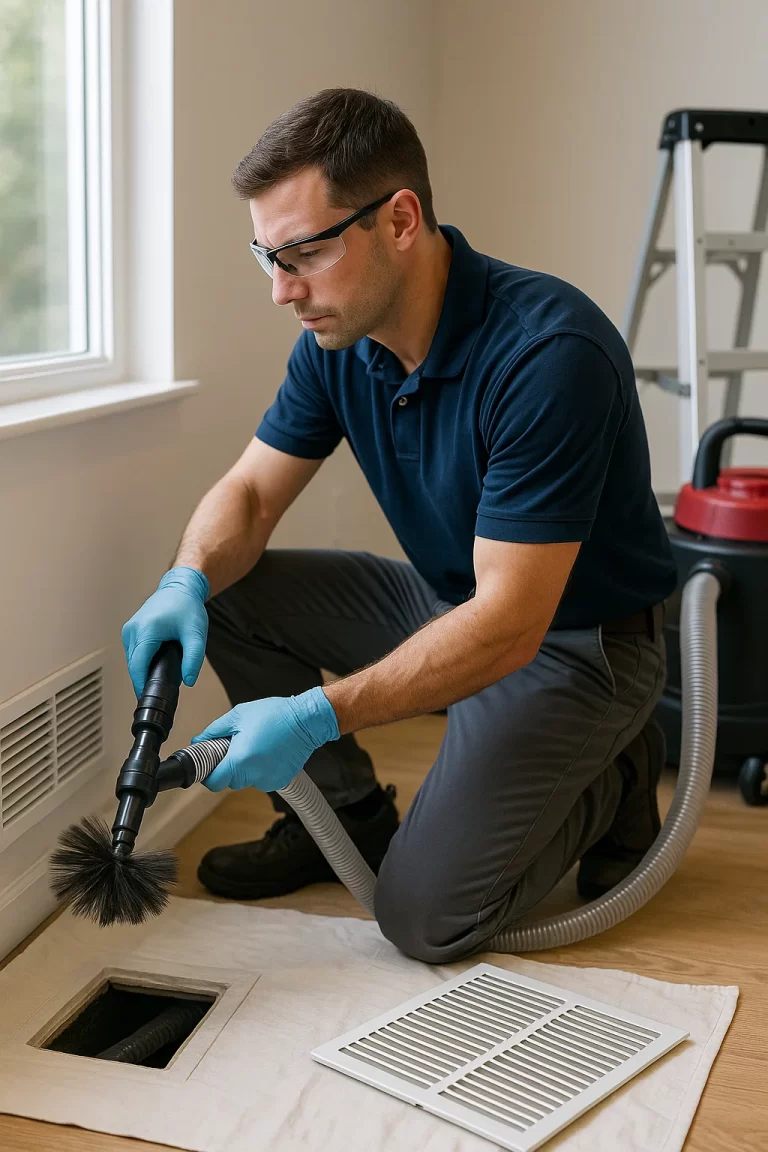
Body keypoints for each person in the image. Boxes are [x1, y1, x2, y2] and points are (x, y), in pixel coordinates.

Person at [122, 88, 677, 964]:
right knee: (226, 593)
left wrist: (315, 715)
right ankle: (340, 818)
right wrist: (184, 576)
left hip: (576, 640)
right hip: (451, 598)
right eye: (266, 256)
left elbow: (510, 624)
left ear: (401, 219)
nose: (280, 290)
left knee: (422, 918)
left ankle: (615, 776)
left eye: (302, 252)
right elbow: (253, 497)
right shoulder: (338, 341)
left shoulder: (547, 355)